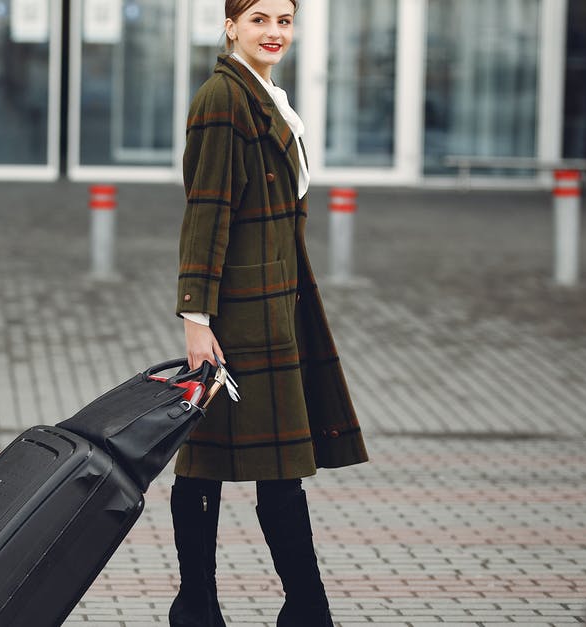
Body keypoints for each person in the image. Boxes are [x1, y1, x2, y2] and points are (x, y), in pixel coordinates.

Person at [171, 1, 369, 625]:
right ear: (230, 26)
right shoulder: (222, 98)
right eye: (259, 19)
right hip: (240, 308)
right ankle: (288, 608)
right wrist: (196, 317)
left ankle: (215, 607)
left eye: (284, 20)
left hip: (278, 299)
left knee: (249, 457)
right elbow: (207, 210)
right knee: (238, 460)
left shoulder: (266, 97)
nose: (274, 32)